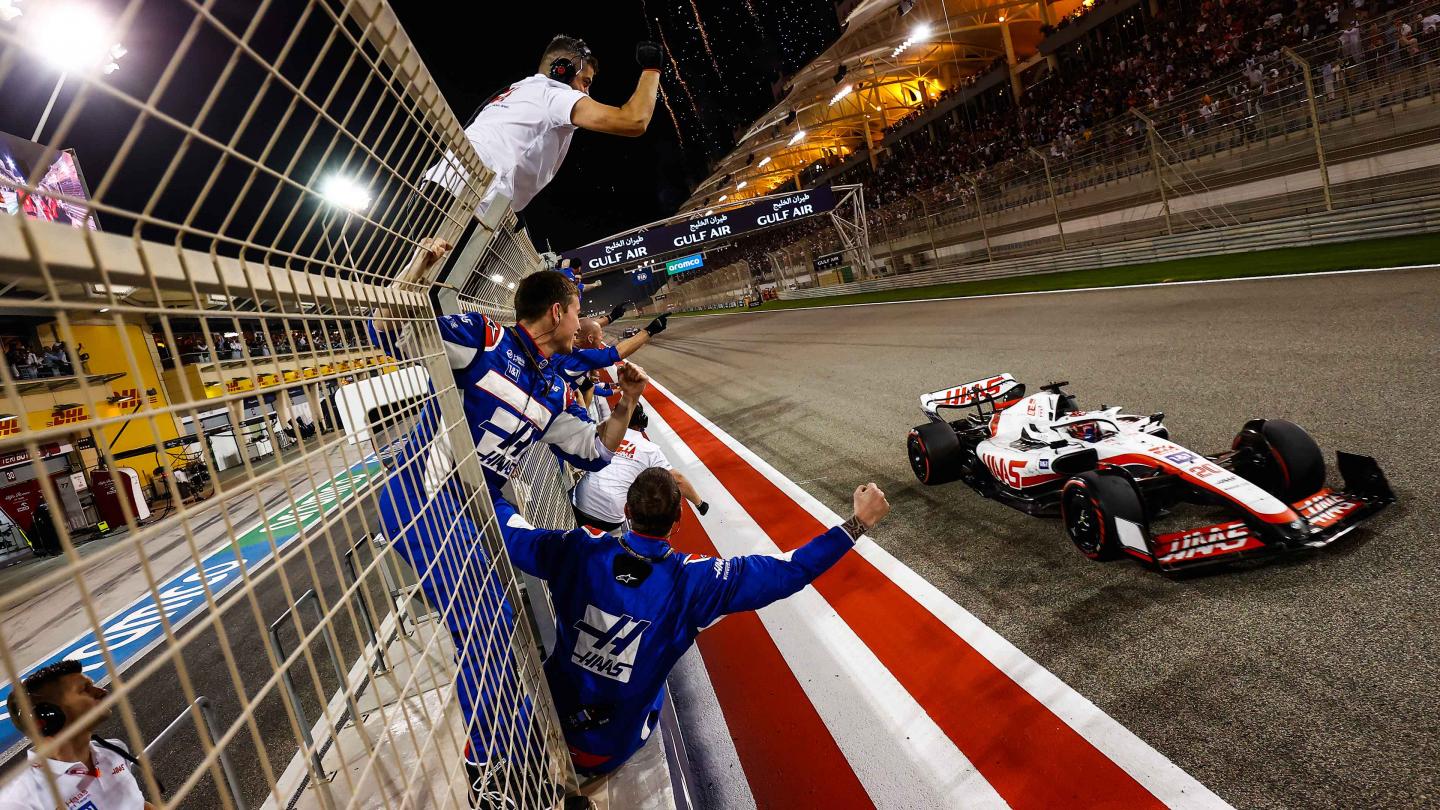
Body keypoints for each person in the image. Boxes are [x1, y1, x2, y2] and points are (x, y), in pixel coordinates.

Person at [371, 246, 650, 796]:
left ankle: (529, 730)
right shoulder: (484, 338)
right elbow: (391, 332)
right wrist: (417, 272)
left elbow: (592, 451)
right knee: (485, 621)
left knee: (551, 569)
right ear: (555, 312)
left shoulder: (552, 383)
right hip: (424, 494)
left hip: (483, 503)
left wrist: (626, 403)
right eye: (577, 312)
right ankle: (494, 772)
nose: (582, 323)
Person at [496, 468, 890, 776]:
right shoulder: (695, 582)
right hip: (608, 748)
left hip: (544, 720)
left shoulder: (579, 548)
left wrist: (483, 484)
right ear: (677, 521)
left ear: (626, 513)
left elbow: (512, 532)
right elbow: (789, 572)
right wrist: (857, 523)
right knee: (655, 687)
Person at [424, 35, 663, 215]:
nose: (587, 92)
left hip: (438, 186)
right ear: (563, 71)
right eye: (586, 82)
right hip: (469, 201)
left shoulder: (519, 89)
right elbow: (634, 121)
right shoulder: (555, 95)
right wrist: (652, 68)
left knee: (404, 280)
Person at [0, 660, 158, 809]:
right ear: (48, 716)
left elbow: (139, 804)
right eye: (85, 689)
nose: (102, 691)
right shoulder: (19, 800)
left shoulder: (114, 750)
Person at [571, 403, 706, 531]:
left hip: (580, 502)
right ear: (642, 423)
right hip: (610, 517)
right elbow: (678, 479)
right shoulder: (649, 449)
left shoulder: (601, 434)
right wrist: (700, 504)